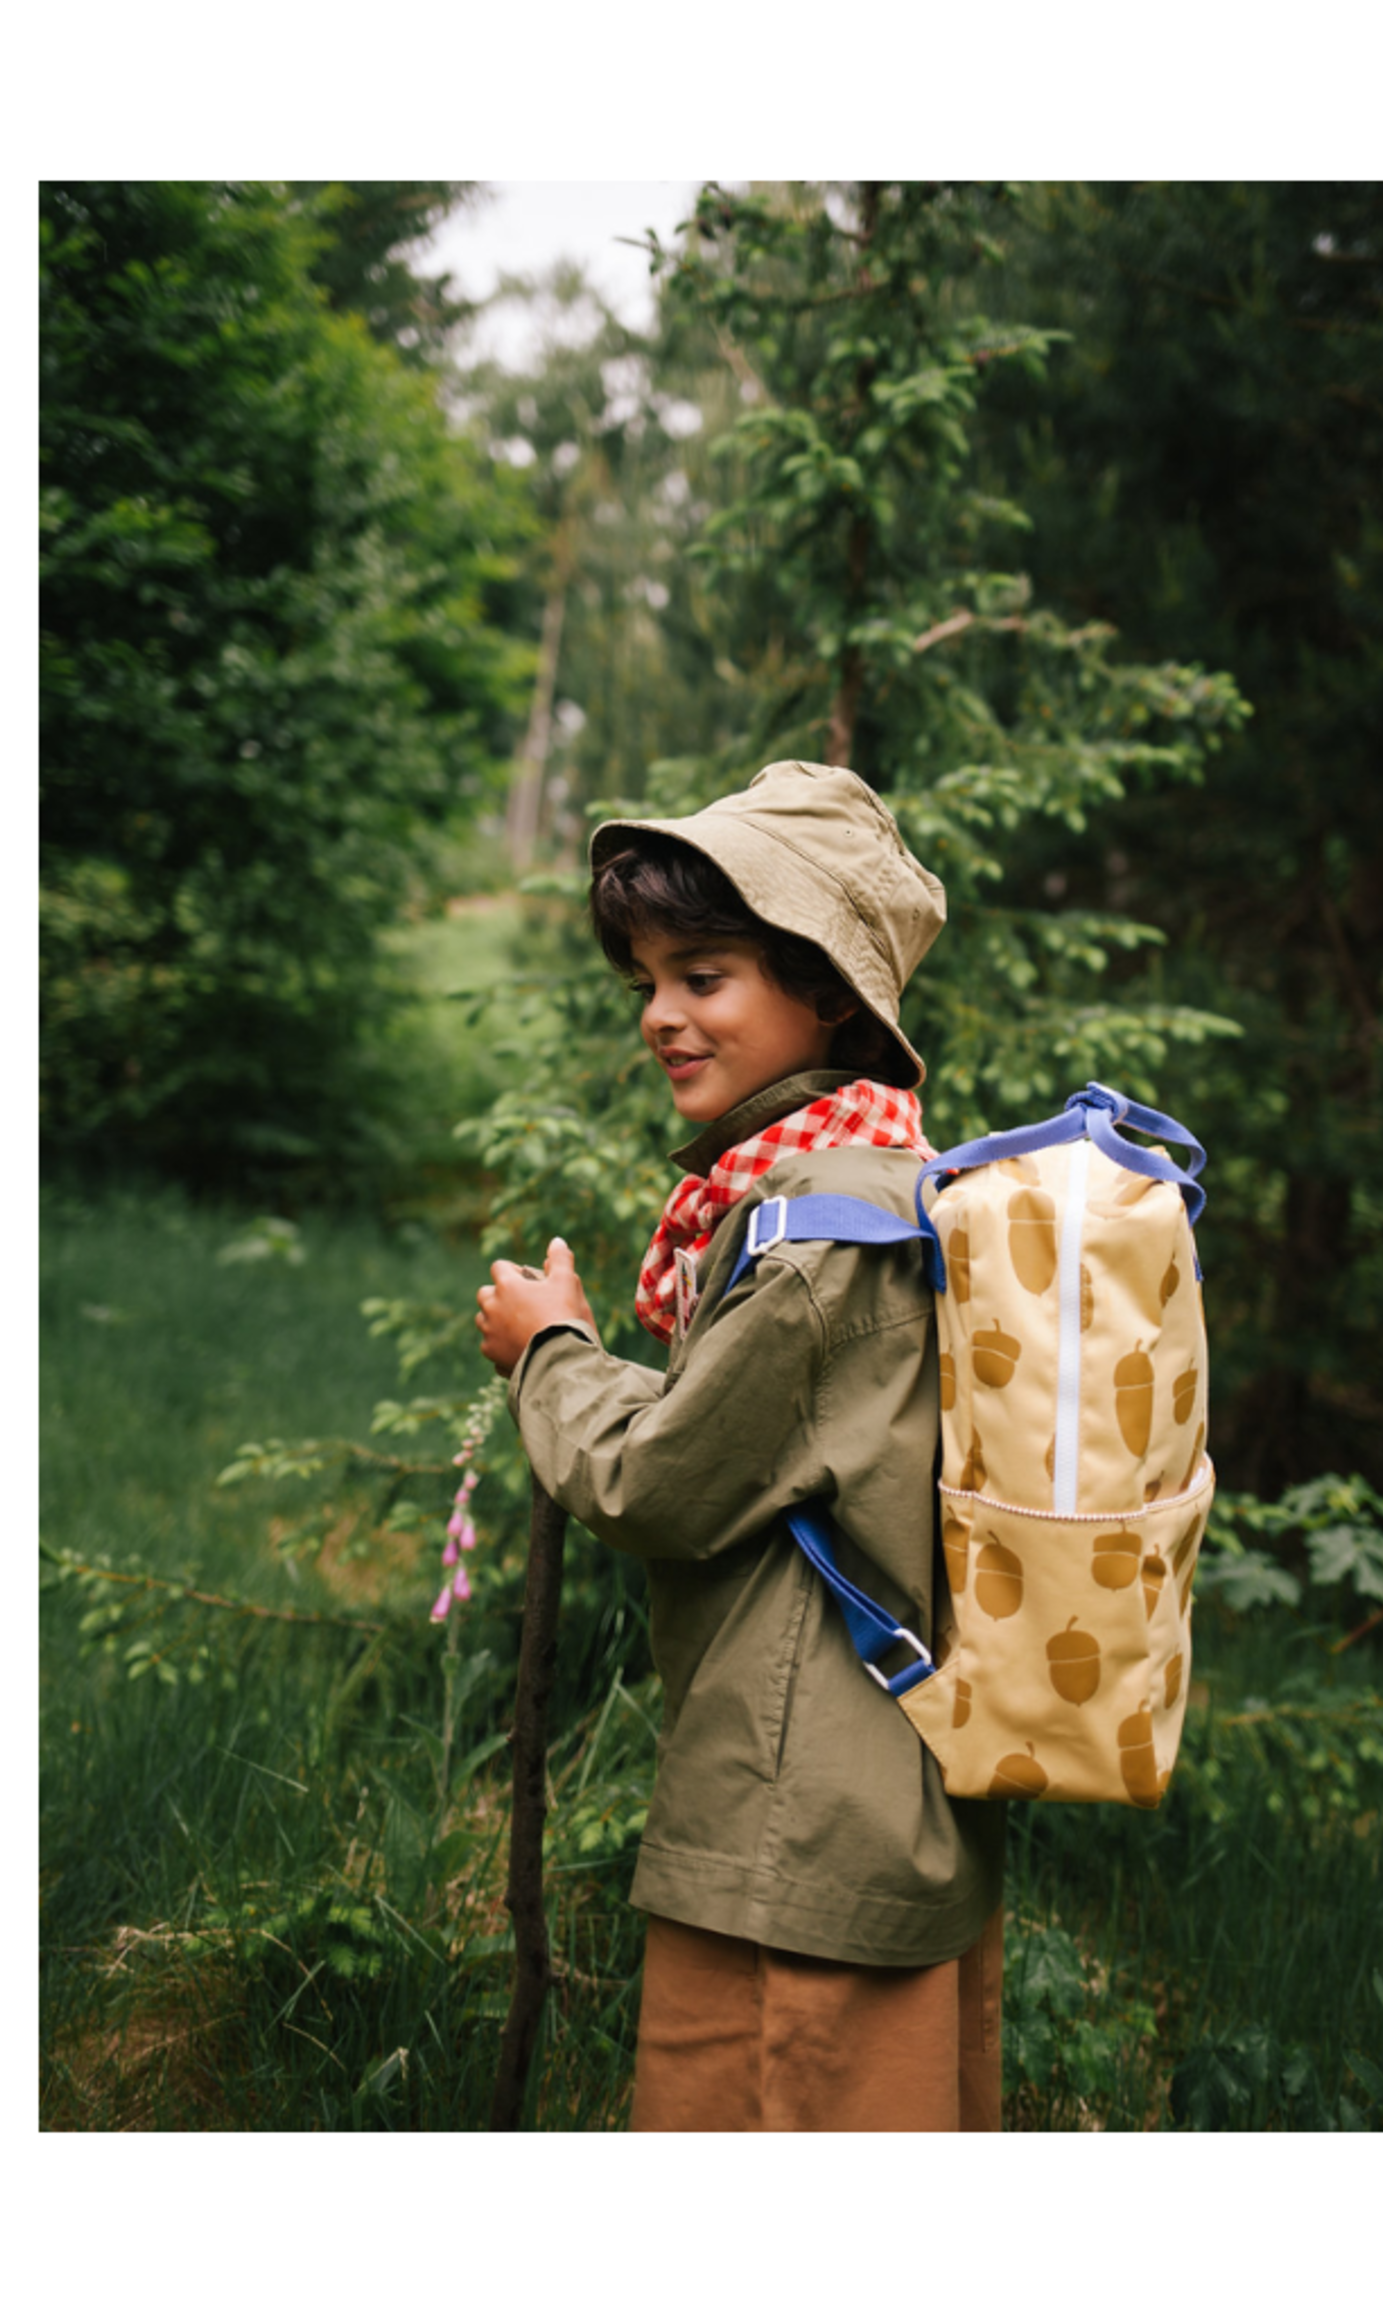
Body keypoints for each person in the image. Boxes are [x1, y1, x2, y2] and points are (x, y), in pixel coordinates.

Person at [475, 760, 1005, 2132]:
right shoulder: (896, 1187)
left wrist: (551, 1350)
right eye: (648, 979)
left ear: (828, 988)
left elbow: (657, 1481)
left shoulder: (823, 1227)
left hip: (798, 1827)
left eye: (702, 976)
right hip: (893, 1794)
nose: (660, 1015)